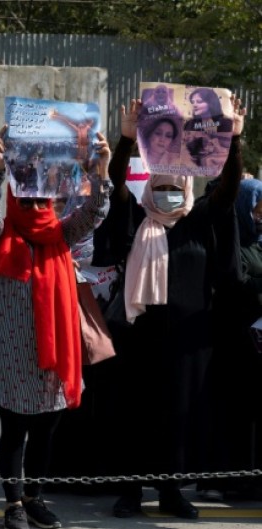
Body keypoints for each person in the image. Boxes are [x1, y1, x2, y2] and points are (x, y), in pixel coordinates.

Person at [101, 96, 245, 520]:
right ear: (150, 189)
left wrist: (234, 140)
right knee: (135, 412)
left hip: (187, 341)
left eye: (174, 189)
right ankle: (130, 491)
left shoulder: (199, 221)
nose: (167, 195)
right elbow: (116, 183)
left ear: (186, 190)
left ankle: (170, 491)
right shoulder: (137, 219)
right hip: (140, 336)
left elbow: (228, 189)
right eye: (160, 188)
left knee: (180, 415)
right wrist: (126, 141)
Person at [0, 126, 112, 529]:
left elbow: (95, 212)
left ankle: (34, 499)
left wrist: (100, 171)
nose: (35, 205)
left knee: (44, 434)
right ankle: (13, 505)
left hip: (54, 361)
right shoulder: (1, 236)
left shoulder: (62, 235)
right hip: (12, 358)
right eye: (26, 198)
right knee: (12, 434)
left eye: (42, 198)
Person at [199, 177, 262, 500]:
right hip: (229, 340)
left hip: (255, 344)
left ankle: (250, 480)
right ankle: (222, 480)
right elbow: (235, 280)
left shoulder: (258, 242)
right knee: (228, 412)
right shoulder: (228, 242)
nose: (260, 216)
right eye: (257, 208)